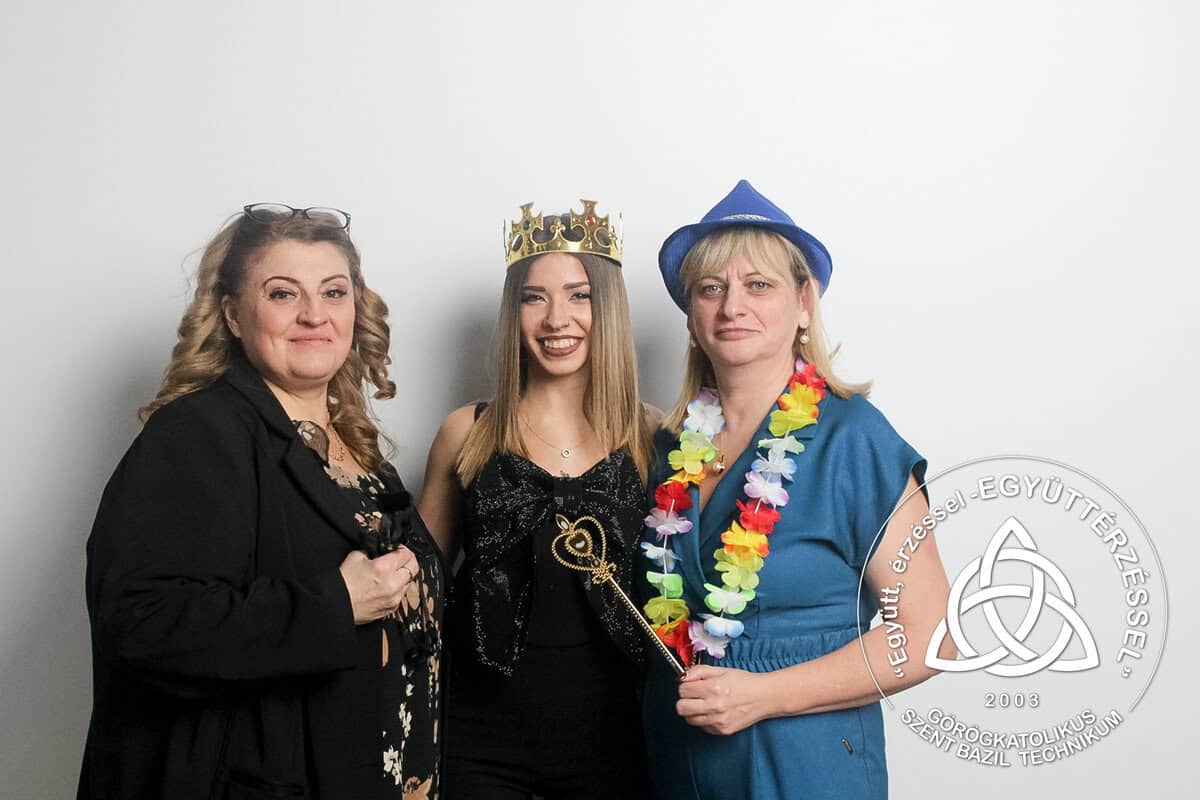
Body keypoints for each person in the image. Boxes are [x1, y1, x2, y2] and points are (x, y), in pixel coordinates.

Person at [79, 204, 443, 800]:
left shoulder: (355, 447)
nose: (314, 315)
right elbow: (140, 624)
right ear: (232, 314)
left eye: (333, 292)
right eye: (282, 294)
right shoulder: (199, 431)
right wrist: (334, 603)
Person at [639, 180, 954, 799]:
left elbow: (930, 634)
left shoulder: (853, 438)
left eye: (759, 285)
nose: (732, 306)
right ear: (692, 316)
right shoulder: (671, 451)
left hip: (806, 764)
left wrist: (763, 695)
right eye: (711, 289)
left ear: (804, 303)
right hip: (681, 766)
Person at [419, 200, 653, 799]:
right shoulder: (466, 432)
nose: (556, 319)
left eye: (579, 296)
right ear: (513, 312)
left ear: (608, 309)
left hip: (614, 736)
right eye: (534, 298)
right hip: (481, 733)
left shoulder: (655, 438)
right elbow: (417, 591)